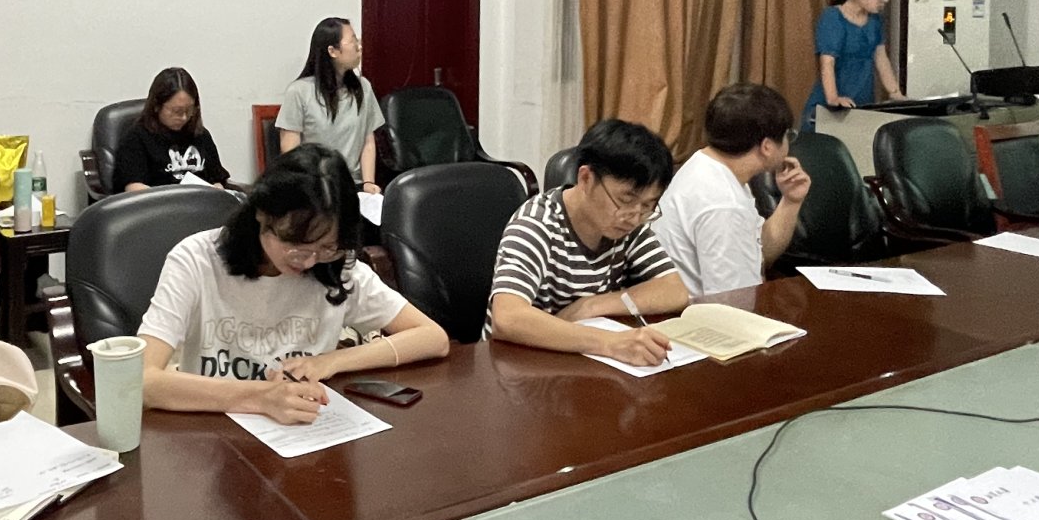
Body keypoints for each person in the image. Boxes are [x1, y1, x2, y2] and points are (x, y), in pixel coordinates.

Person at [138, 143, 448, 424]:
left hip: (302, 436)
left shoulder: (337, 268)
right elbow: (143, 381)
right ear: (262, 215)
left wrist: (331, 361)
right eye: (297, 246)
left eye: (327, 247)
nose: (309, 262)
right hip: (211, 432)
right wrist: (261, 397)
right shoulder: (196, 260)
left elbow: (433, 338)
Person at [486, 119, 688, 365]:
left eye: (647, 205)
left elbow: (674, 290)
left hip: (578, 360)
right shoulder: (537, 224)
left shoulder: (628, 225)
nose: (634, 217)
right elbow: (508, 318)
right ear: (586, 178)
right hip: (518, 363)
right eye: (625, 199)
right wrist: (610, 343)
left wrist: (591, 306)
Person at [653, 84, 812, 296]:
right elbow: (734, 301)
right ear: (767, 147)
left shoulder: (708, 165)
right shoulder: (723, 203)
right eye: (786, 136)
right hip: (702, 313)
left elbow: (760, 252)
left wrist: (791, 201)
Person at [277, 17, 384, 193]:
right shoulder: (299, 91)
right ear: (333, 51)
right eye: (353, 41)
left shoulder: (363, 87)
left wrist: (368, 183)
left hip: (353, 185)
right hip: (315, 187)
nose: (359, 47)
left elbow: (368, 142)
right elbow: (291, 151)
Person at [800, 0, 905, 131]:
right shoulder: (832, 17)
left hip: (862, 105)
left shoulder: (875, 21)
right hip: (831, 106)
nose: (885, 0)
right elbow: (827, 63)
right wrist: (834, 99)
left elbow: (881, 59)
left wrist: (896, 94)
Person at [112, 67, 231, 191]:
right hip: (159, 201)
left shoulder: (201, 135)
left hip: (201, 201)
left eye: (189, 110)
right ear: (157, 106)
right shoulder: (136, 138)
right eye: (177, 111)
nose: (184, 117)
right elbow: (133, 187)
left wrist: (218, 189)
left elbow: (216, 179)